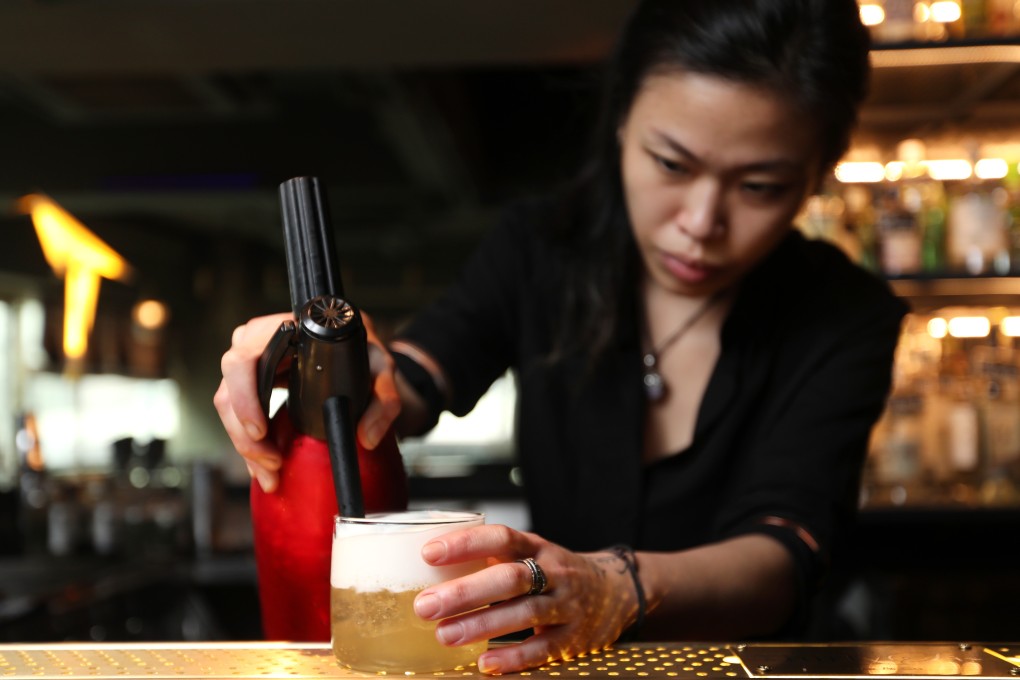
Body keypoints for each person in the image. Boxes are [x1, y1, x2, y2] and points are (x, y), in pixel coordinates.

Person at [216, 0, 907, 673]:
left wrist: (617, 589)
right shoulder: (540, 249)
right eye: (671, 163)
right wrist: (338, 366)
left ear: (820, 174)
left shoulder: (845, 314)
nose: (701, 221)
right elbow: (417, 380)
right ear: (621, 121)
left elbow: (782, 554)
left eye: (760, 186)